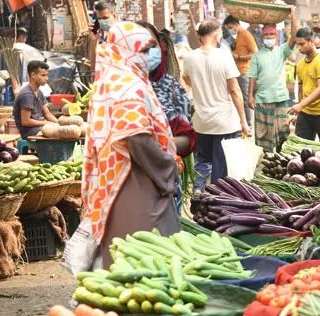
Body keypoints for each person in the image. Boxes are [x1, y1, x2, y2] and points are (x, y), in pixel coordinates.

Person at [83, 22, 180, 268]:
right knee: (146, 257)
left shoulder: (114, 77)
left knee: (122, 258)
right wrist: (166, 167)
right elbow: (136, 137)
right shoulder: (128, 85)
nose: (153, 54)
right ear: (127, 49)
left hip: (116, 175)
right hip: (134, 178)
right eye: (146, 49)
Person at [137, 22, 197, 215]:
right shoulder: (115, 90)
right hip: (127, 186)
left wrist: (152, 147)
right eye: (140, 45)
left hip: (164, 184)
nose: (148, 51)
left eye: (152, 45)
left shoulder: (171, 88)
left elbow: (188, 139)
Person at [182, 19, 250, 190]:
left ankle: (198, 192)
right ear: (216, 34)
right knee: (221, 167)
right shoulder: (224, 56)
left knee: (202, 161)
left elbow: (186, 82)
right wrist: (244, 121)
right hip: (224, 123)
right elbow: (234, 91)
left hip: (202, 122)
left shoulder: (189, 58)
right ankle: (215, 199)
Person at [247, 10, 298, 152]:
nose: (269, 37)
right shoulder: (257, 55)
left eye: (272, 34)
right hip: (262, 99)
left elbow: (294, 38)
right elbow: (252, 76)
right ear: (263, 37)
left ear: (276, 36)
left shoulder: (282, 51)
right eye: (266, 35)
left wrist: (293, 17)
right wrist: (250, 96)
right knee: (265, 135)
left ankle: (280, 158)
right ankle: (269, 160)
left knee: (283, 132)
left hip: (280, 97)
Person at [289, 27, 320, 141]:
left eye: (302, 44)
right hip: (305, 114)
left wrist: (300, 105)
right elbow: (300, 90)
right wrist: (299, 112)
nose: (299, 48)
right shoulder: (300, 65)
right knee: (302, 150)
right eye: (297, 45)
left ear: (311, 42)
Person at [224, 16, 258, 128]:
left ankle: (249, 125)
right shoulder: (238, 35)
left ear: (237, 25)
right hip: (238, 71)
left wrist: (239, 57)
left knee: (245, 99)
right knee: (240, 98)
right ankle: (244, 124)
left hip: (244, 71)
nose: (230, 30)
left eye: (230, 27)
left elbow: (255, 53)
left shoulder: (246, 35)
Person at [12, 60, 57, 139]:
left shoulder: (39, 92)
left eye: (47, 75)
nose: (47, 78)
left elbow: (47, 114)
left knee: (62, 131)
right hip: (30, 132)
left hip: (39, 128)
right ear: (33, 75)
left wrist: (60, 123)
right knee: (57, 134)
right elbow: (25, 121)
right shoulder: (27, 94)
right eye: (43, 75)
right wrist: (45, 123)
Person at [89, 1, 117, 74]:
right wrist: (93, 41)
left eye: (105, 18)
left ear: (114, 16)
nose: (102, 21)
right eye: (99, 19)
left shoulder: (124, 34)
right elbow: (93, 66)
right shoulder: (101, 36)